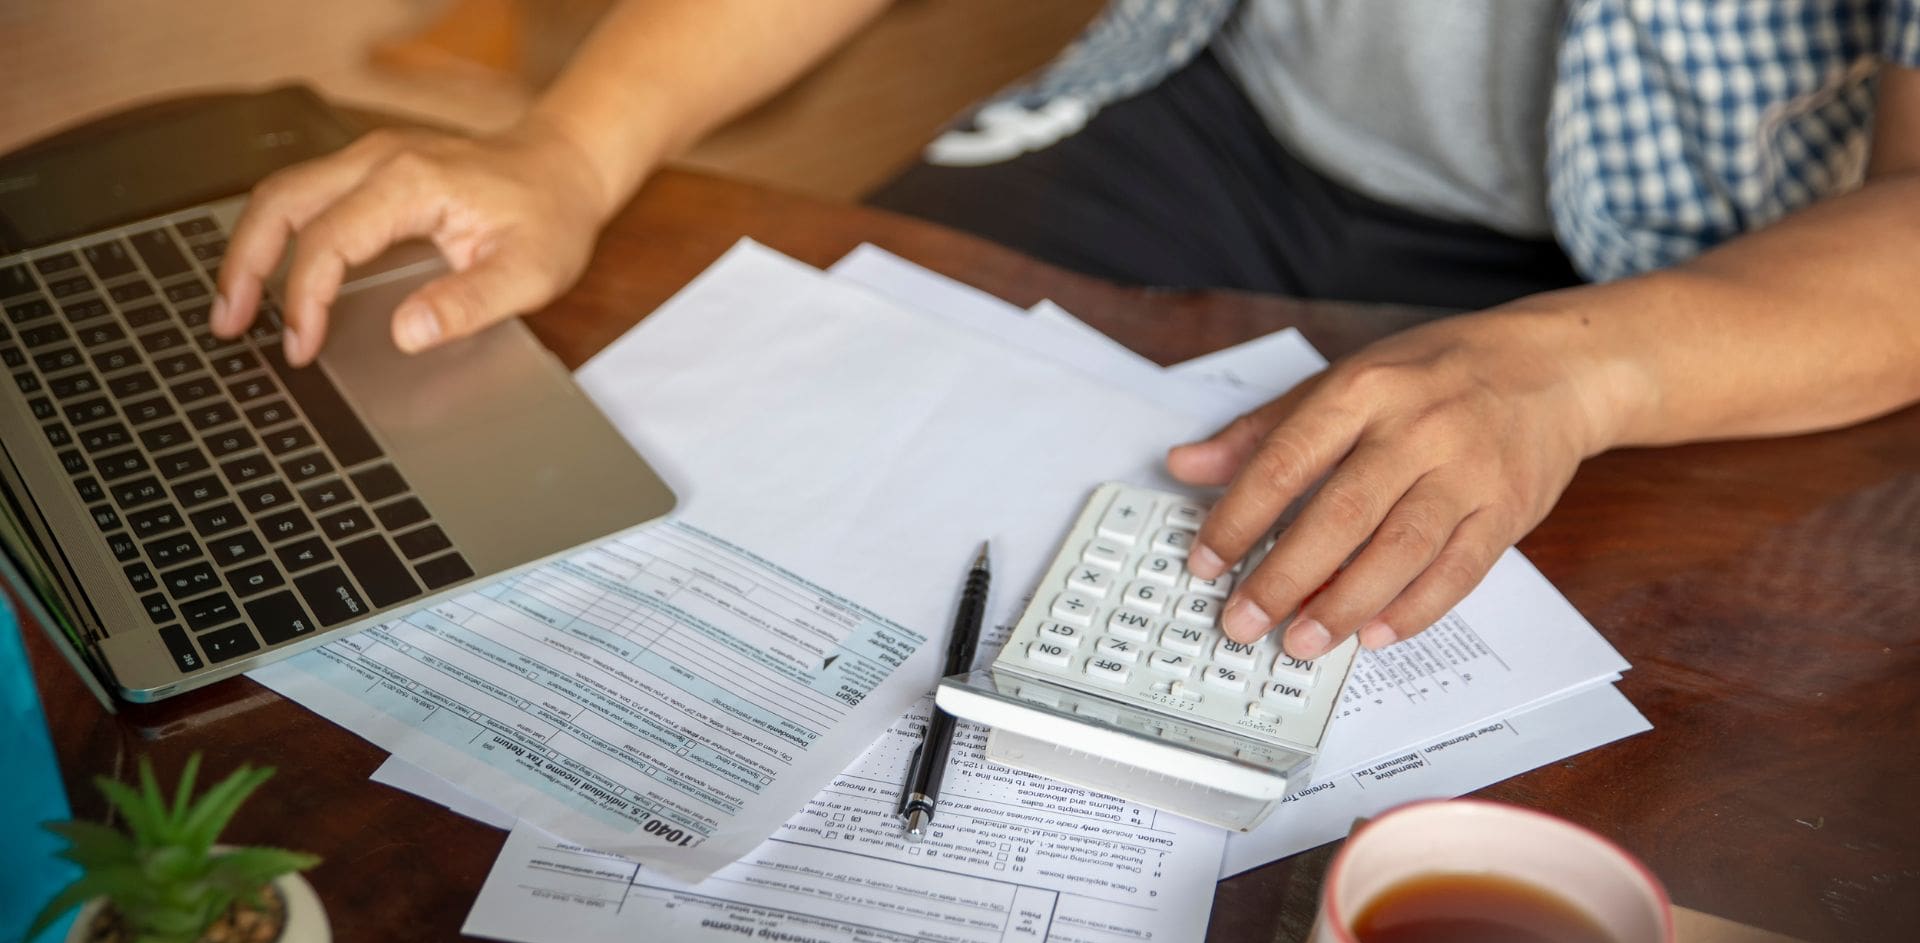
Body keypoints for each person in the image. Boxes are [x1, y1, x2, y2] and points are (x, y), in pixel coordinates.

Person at [212, 0, 1920, 664]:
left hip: (1715, 282)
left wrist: (1575, 365)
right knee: (748, 529)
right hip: (1218, 109)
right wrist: (573, 144)